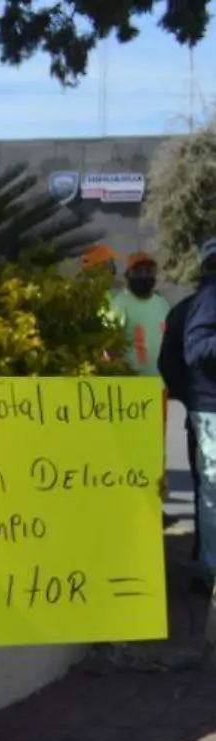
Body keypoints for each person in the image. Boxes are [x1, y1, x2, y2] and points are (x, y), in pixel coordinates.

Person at [173, 238, 216, 604]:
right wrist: (192, 399)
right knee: (213, 495)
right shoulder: (205, 301)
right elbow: (191, 351)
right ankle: (209, 572)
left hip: (203, 408)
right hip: (210, 411)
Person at [109, 252, 170, 375]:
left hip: (162, 385)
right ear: (128, 275)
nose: (145, 275)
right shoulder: (118, 306)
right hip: (133, 386)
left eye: (149, 271)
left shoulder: (162, 304)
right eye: (139, 271)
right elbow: (109, 349)